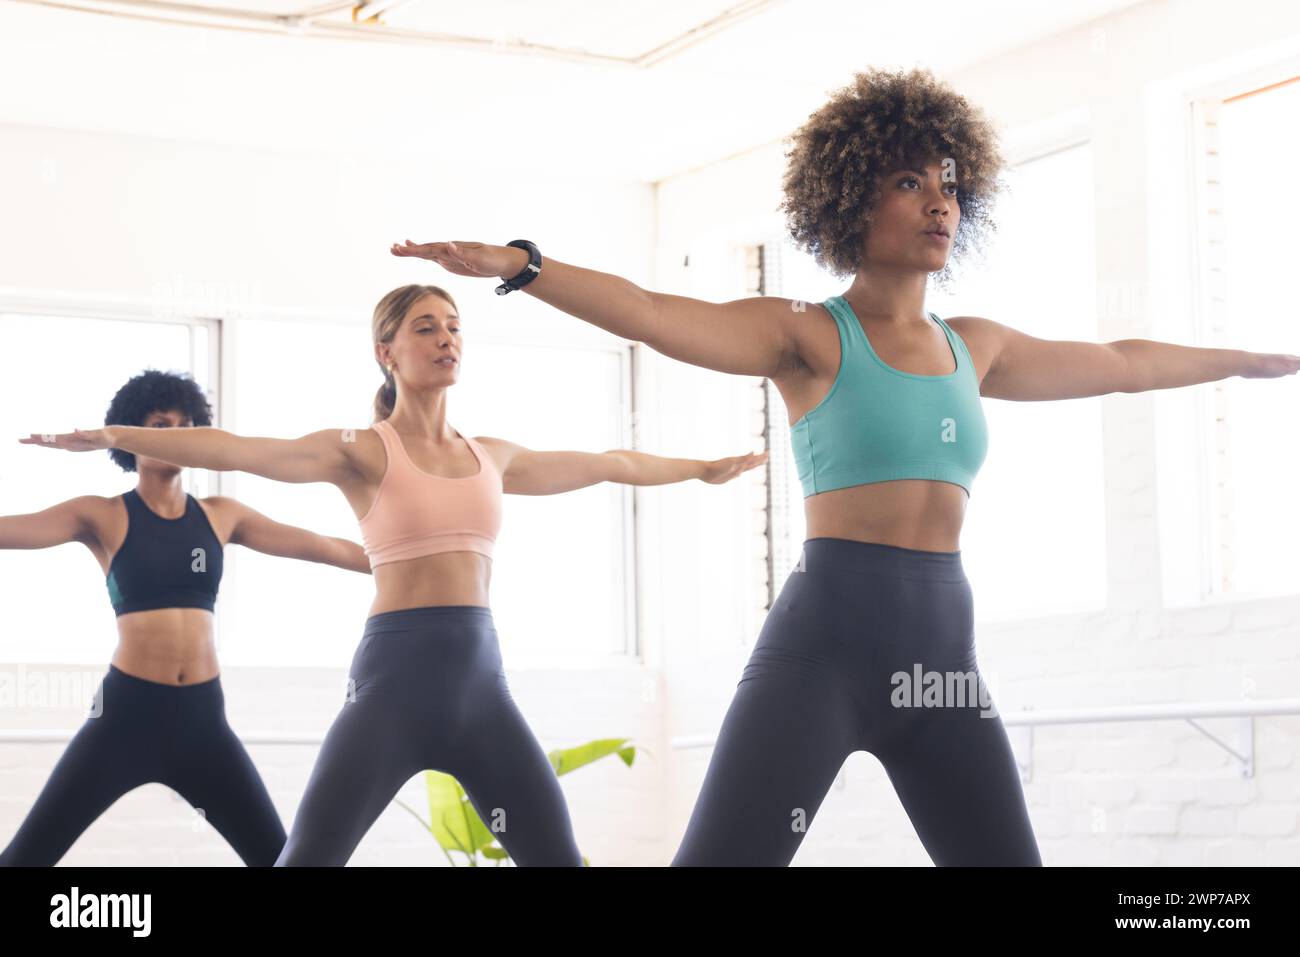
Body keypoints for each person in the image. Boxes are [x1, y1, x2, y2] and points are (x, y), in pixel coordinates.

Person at [387, 66, 1299, 865]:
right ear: (853, 201)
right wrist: (526, 264)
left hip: (942, 659)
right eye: (910, 182)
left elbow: (1123, 362)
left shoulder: (973, 347)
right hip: (823, 651)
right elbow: (651, 310)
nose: (939, 201)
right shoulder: (809, 335)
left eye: (947, 183)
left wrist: (1251, 360)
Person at [22, 285, 766, 866]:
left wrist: (699, 469)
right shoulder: (360, 451)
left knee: (555, 857)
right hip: (393, 686)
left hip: (484, 691)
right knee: (306, 857)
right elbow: (241, 448)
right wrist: (111, 436)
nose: (446, 338)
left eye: (453, 326)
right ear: (387, 351)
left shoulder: (493, 454)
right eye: (426, 327)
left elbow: (610, 462)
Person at [1, 369, 372, 866]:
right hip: (124, 717)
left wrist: (413, 557)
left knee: (280, 859)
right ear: (129, 435)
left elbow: (321, 546)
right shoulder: (102, 515)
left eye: (186, 425)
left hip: (202, 721)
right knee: (27, 858)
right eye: (159, 424)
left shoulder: (222, 515)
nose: (175, 435)